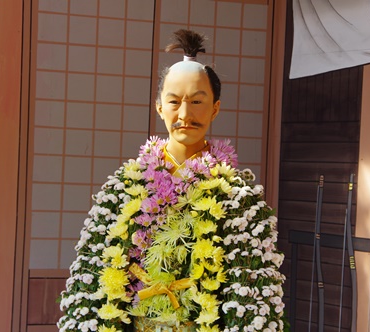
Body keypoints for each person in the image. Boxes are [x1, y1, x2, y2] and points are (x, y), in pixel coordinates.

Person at [57, 29, 286, 332]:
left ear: (215, 107)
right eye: (175, 102)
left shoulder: (237, 195)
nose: (185, 114)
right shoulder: (125, 186)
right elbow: (94, 274)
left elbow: (252, 290)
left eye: (197, 102)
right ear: (159, 107)